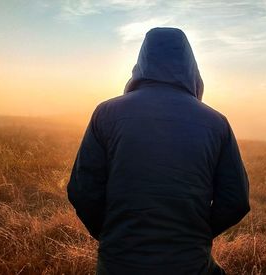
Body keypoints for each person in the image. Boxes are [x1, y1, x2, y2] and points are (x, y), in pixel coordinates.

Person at [67, 27, 250, 275]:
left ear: (141, 62)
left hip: (118, 263)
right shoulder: (217, 123)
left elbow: (82, 191)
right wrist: (194, 236)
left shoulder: (106, 113)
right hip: (189, 264)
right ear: (191, 66)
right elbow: (236, 200)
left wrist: (113, 235)